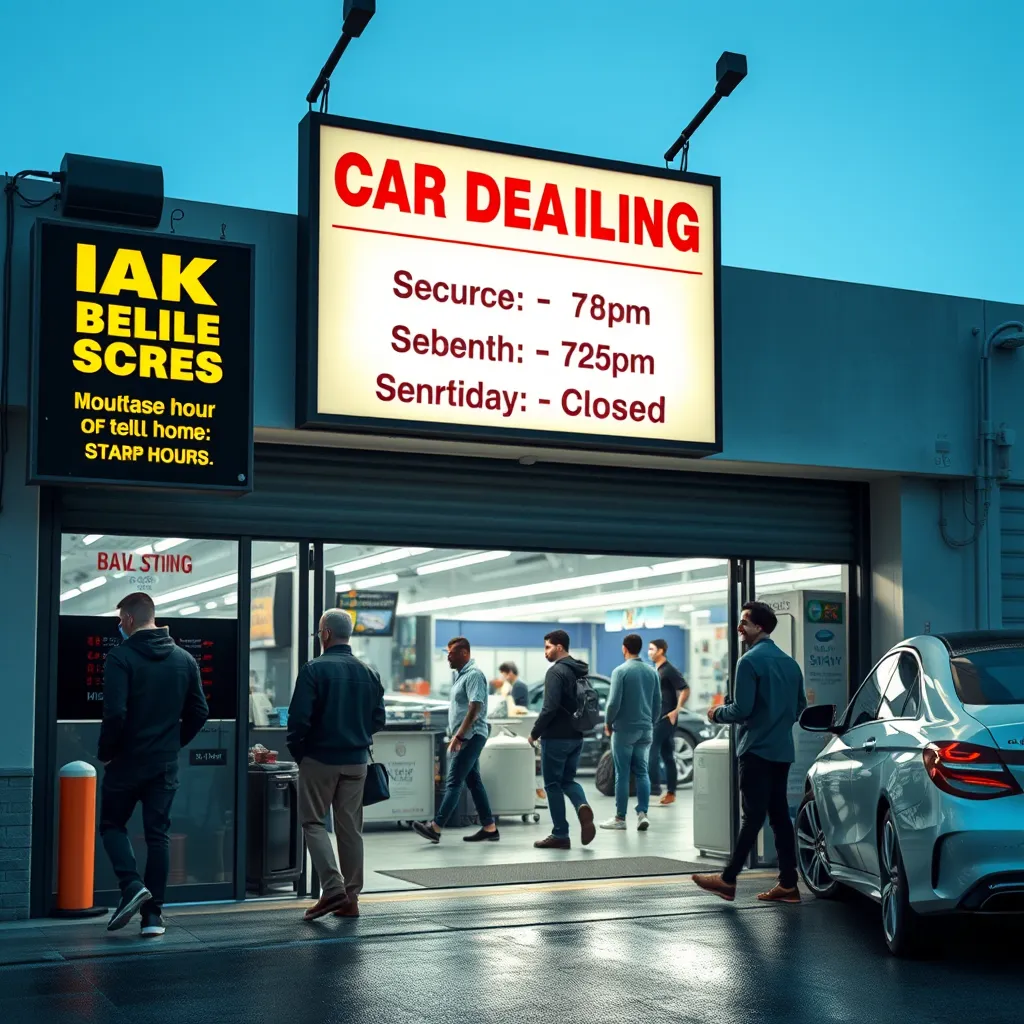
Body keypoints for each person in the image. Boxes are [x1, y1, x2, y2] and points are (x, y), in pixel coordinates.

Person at [98, 592, 209, 937]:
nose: (120, 626)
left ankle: (131, 884)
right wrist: (173, 743)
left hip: (127, 761)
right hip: (163, 764)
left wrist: (107, 751)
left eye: (120, 621)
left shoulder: (120, 657)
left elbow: (115, 712)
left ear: (129, 620)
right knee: (157, 835)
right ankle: (152, 918)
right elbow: (199, 712)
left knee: (112, 825)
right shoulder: (184, 659)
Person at [692, 601, 807, 904]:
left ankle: (728, 879)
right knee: (779, 818)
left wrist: (717, 713)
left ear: (760, 627)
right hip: (782, 751)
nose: (740, 628)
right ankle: (788, 883)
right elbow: (799, 708)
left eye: (745, 622)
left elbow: (742, 709)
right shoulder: (790, 663)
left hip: (755, 751)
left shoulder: (749, 662)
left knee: (753, 817)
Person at [287, 608, 386, 921]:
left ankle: (332, 888)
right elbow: (378, 720)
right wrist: (356, 738)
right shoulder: (369, 672)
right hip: (356, 762)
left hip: (319, 759)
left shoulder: (314, 669)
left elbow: (298, 720)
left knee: (313, 822)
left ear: (325, 634)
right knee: (350, 829)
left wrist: (301, 753)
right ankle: (351, 898)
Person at [413, 637, 498, 845]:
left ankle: (435, 827)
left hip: (471, 736)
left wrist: (459, 736)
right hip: (466, 735)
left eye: (451, 653)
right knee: (473, 781)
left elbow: (475, 708)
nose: (448, 657)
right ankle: (489, 827)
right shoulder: (461, 676)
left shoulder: (474, 675)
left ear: (464, 654)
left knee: (454, 782)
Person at [529, 630, 596, 850]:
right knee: (568, 780)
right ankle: (582, 804)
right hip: (576, 735)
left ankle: (560, 833)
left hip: (556, 737)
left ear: (559, 647)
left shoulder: (556, 672)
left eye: (548, 647)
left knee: (552, 785)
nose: (545, 652)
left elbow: (549, 708)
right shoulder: (579, 671)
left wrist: (534, 733)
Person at [601, 633, 660, 832]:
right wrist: (650, 722)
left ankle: (620, 818)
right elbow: (657, 703)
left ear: (624, 648)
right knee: (642, 771)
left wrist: (608, 722)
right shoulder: (652, 672)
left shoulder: (620, 671)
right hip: (646, 729)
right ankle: (643, 813)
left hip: (625, 730)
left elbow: (613, 702)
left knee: (623, 773)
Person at [648, 639, 690, 806]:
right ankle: (671, 793)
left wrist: (676, 710)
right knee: (667, 755)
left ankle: (654, 788)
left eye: (652, 649)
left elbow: (685, 689)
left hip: (665, 717)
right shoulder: (656, 669)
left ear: (661, 650)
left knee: (652, 750)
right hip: (658, 716)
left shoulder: (669, 669)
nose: (649, 652)